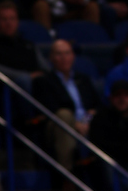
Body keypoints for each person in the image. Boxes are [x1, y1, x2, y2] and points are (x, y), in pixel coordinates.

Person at [31, 40, 99, 175]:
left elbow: (96, 105)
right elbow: (51, 108)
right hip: (57, 125)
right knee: (64, 114)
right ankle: (67, 175)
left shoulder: (83, 79)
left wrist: (88, 118)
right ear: (51, 58)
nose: (64, 58)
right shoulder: (43, 81)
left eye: (67, 53)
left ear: (73, 56)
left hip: (86, 123)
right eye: (59, 54)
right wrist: (76, 123)